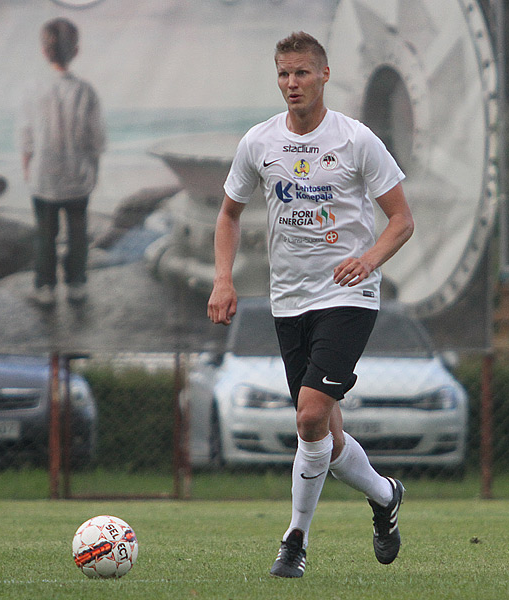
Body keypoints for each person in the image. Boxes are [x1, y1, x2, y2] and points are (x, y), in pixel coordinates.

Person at [207, 31, 415, 578]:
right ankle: (385, 496)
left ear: (324, 75)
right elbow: (228, 215)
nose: (291, 83)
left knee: (308, 417)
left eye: (301, 72)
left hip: (348, 295)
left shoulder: (356, 140)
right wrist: (223, 280)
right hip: (289, 301)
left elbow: (401, 220)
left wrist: (368, 261)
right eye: (283, 73)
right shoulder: (259, 142)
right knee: (325, 433)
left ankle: (294, 541)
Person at [18, 17, 106, 307]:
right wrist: (93, 165)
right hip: (78, 176)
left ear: (45, 52)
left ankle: (45, 287)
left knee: (45, 234)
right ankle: (76, 284)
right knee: (78, 233)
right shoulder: (86, 91)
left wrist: (26, 165)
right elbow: (97, 138)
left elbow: (26, 134)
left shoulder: (33, 89)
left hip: (44, 176)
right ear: (76, 51)